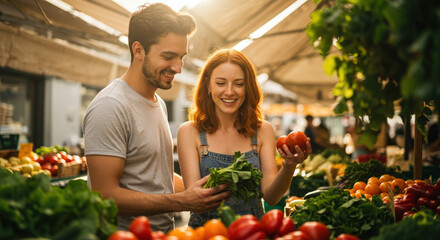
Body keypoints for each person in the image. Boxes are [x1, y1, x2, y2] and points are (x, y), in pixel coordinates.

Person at [82, 3, 230, 233]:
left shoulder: (157, 102)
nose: (178, 67)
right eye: (169, 56)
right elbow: (105, 195)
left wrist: (208, 190)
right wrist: (182, 201)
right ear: (138, 50)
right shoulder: (110, 106)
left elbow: (154, 176)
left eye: (181, 57)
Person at [177, 49, 312, 228]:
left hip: (253, 232)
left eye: (238, 84)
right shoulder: (189, 132)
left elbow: (271, 197)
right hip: (206, 233)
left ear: (248, 87)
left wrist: (289, 167)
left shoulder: (263, 130)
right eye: (221, 83)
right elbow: (195, 203)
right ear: (208, 85)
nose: (230, 91)